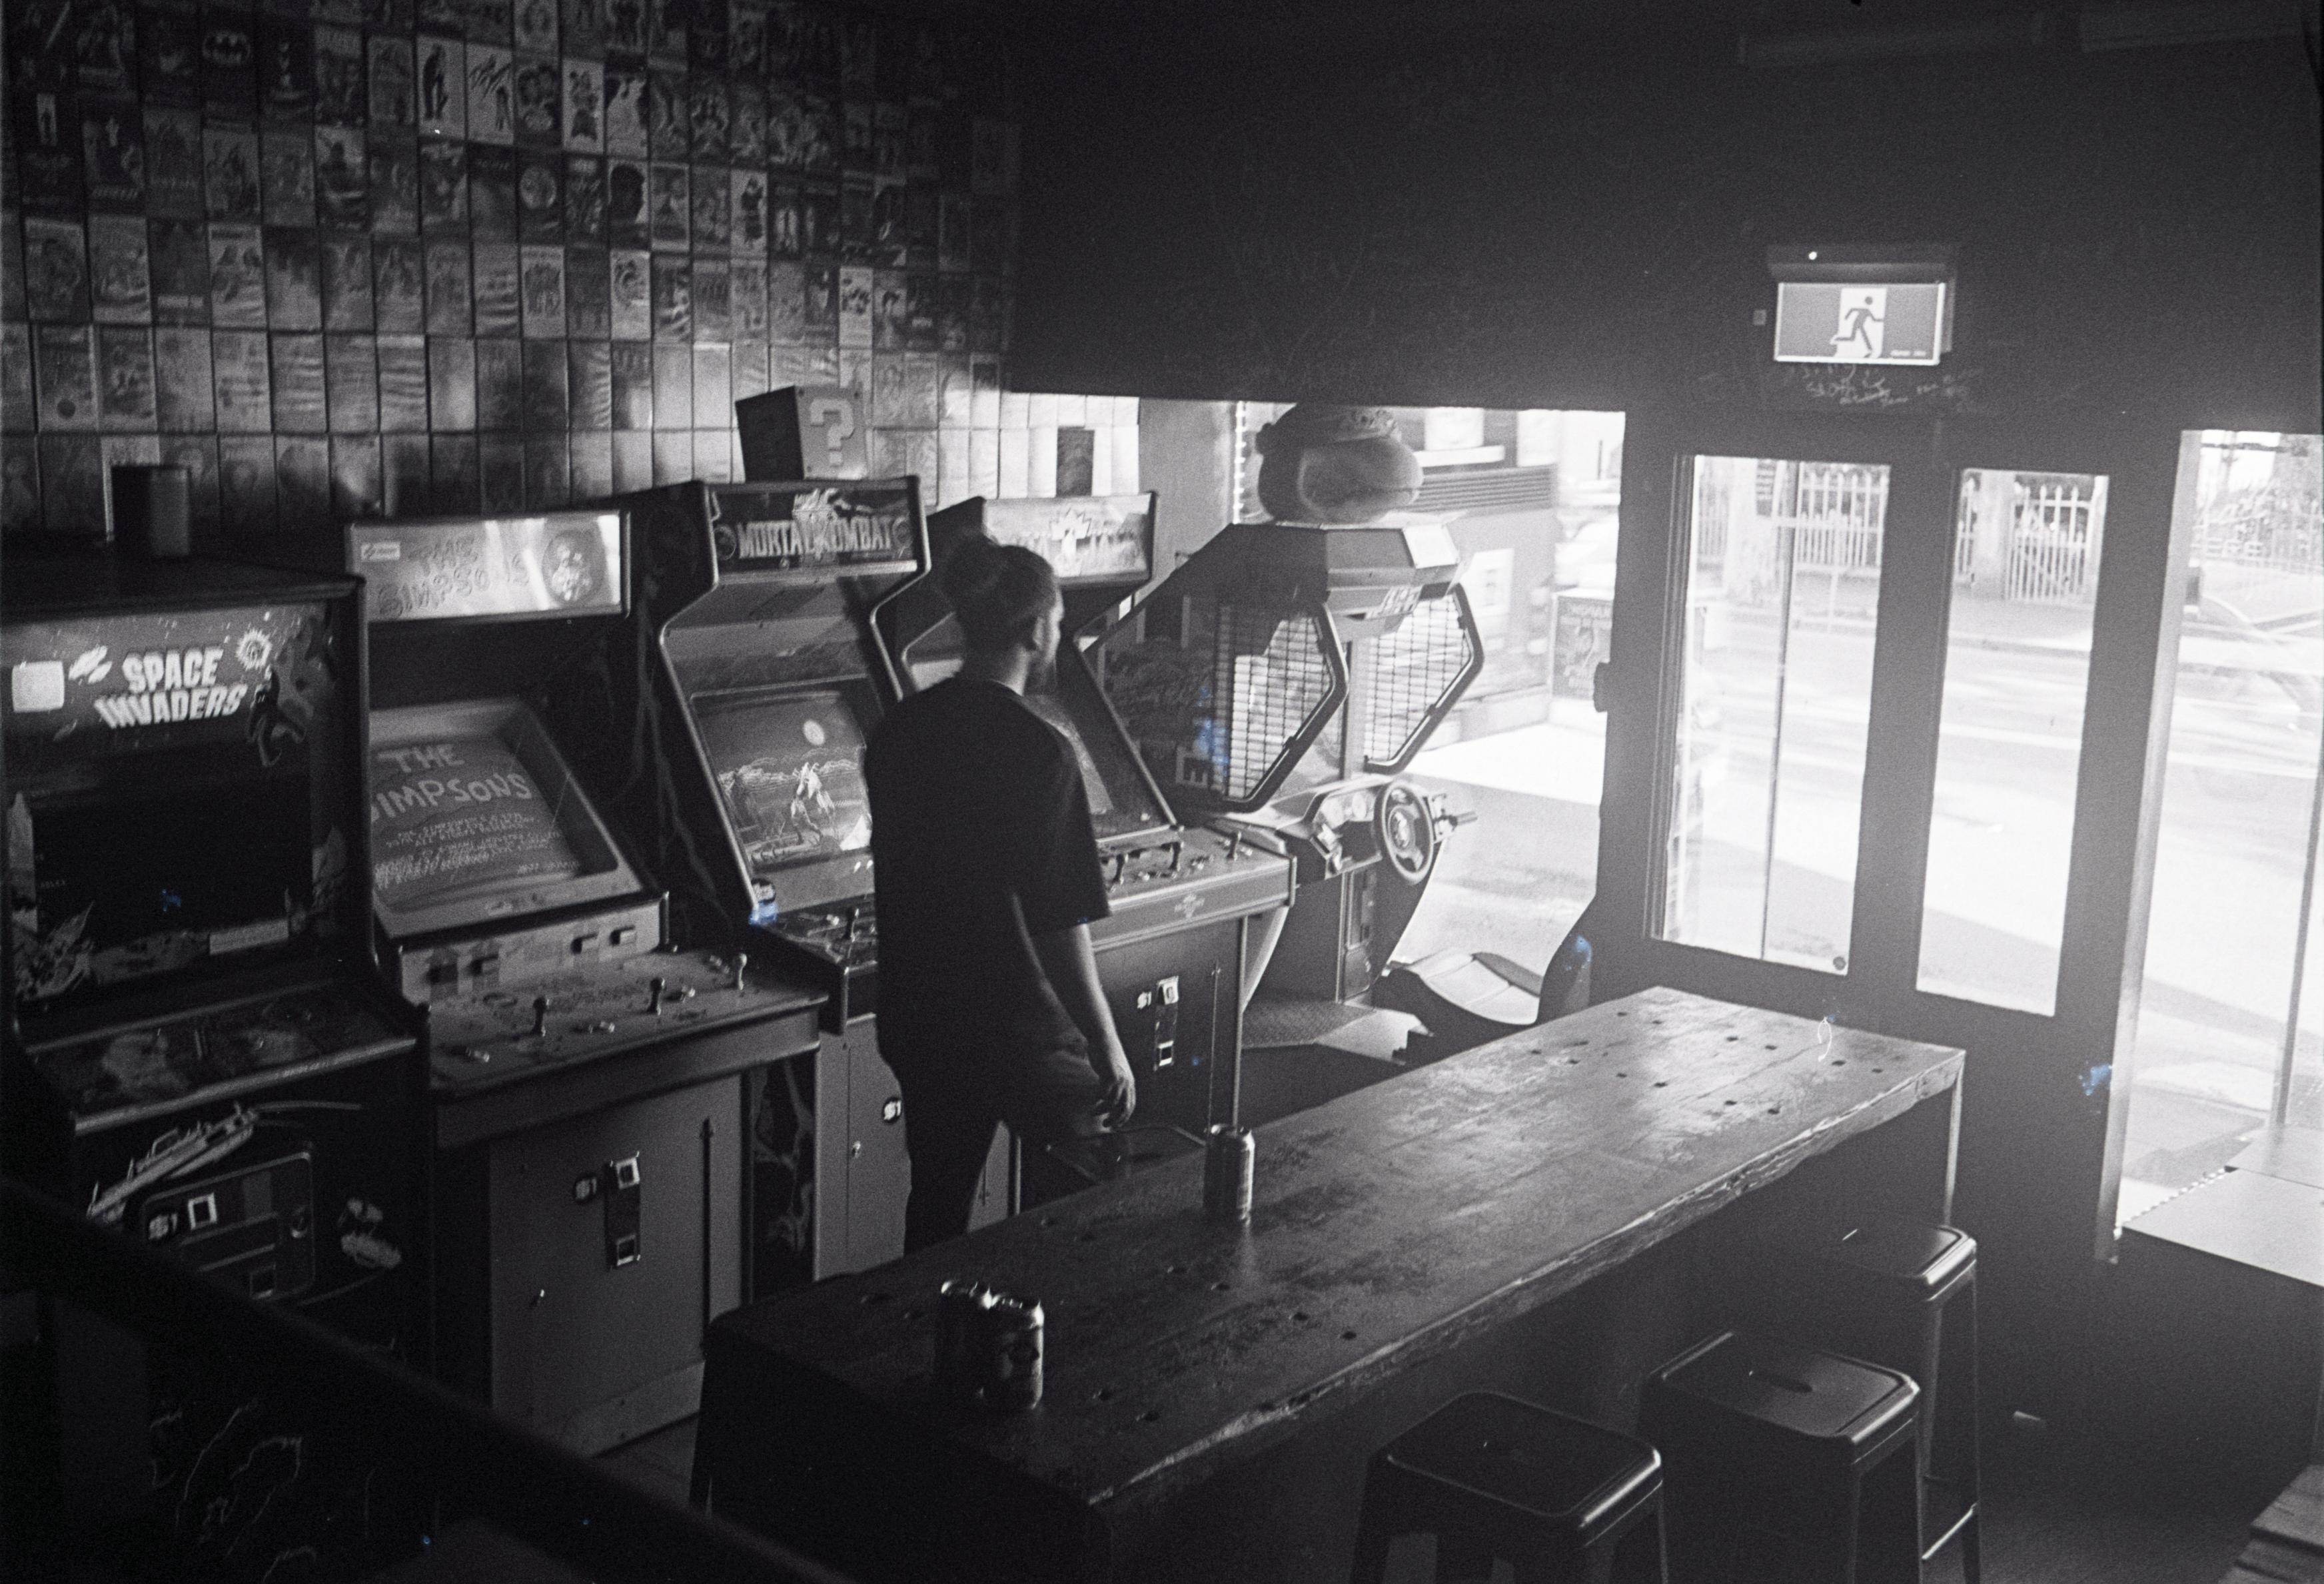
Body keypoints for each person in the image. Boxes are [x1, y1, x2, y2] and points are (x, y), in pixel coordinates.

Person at [866, 534, 1135, 1251]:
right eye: (1058, 621)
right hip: (1013, 1029)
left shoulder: (897, 731)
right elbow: (1058, 924)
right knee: (1093, 1173)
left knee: (938, 1204)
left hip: (920, 1019)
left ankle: (933, 1312)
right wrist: (1105, 1042)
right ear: (1035, 630)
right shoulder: (1040, 751)